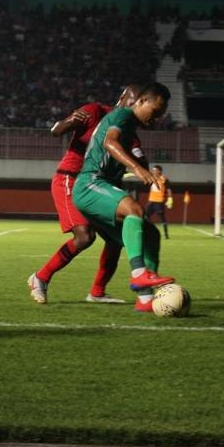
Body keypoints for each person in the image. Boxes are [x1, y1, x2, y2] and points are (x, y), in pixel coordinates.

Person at [28, 86, 142, 305]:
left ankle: (97, 292)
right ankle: (40, 278)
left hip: (97, 186)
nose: (133, 106)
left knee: (117, 238)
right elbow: (56, 130)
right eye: (132, 100)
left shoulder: (129, 131)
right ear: (122, 98)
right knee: (84, 236)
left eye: (138, 104)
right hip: (70, 179)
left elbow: (138, 155)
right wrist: (67, 123)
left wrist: (141, 166)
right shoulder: (95, 111)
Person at [73, 82, 175, 312]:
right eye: (155, 111)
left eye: (161, 115)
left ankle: (146, 300)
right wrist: (138, 169)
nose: (156, 118)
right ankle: (140, 274)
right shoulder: (123, 115)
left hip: (98, 186)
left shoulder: (130, 130)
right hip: (90, 183)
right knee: (135, 209)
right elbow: (110, 143)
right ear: (140, 101)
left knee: (152, 234)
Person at [145, 165, 173, 239]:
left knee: (161, 217)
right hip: (151, 201)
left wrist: (170, 198)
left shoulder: (164, 179)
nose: (153, 171)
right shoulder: (151, 178)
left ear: (160, 171)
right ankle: (148, 231)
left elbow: (169, 189)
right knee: (145, 216)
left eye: (155, 170)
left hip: (159, 201)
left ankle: (165, 234)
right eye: (153, 170)